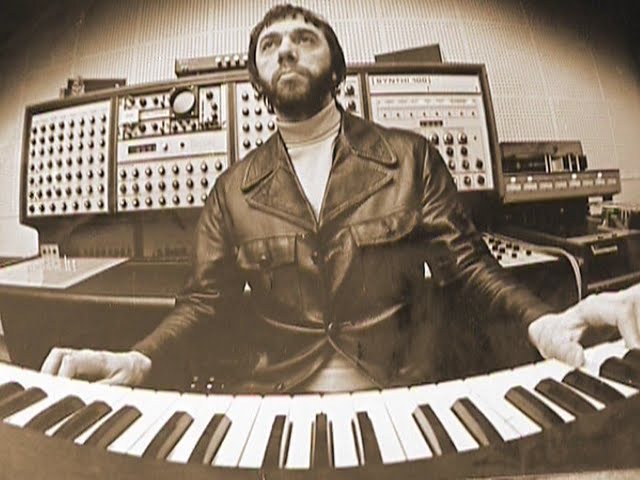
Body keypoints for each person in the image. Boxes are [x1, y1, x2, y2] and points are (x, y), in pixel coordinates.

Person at [41, 4, 640, 391]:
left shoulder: (411, 157)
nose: (286, 50)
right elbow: (203, 303)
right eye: (271, 44)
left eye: (304, 39)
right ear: (257, 82)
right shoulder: (231, 191)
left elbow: (469, 267)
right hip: (279, 395)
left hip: (403, 389)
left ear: (336, 70)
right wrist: (138, 358)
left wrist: (542, 322)